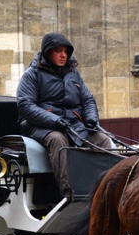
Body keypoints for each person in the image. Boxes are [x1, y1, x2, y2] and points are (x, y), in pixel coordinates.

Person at [16, 32, 114, 201]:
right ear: (48, 52)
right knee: (58, 140)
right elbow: (26, 106)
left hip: (73, 125)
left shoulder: (73, 73)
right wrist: (55, 121)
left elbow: (87, 100)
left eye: (66, 51)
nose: (64, 55)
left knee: (102, 139)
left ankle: (107, 191)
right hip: (41, 126)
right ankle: (70, 194)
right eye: (58, 51)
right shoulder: (32, 74)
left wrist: (91, 119)